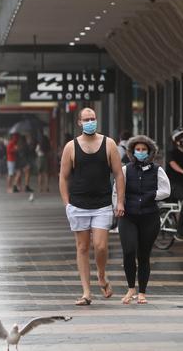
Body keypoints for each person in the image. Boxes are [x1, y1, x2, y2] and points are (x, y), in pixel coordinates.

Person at [59, 107, 125, 306]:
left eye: (93, 118)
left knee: (100, 246)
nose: (90, 122)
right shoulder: (71, 147)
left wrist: (120, 201)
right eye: (86, 119)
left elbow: (119, 174)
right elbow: (63, 177)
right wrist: (67, 204)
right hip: (78, 204)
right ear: (79, 122)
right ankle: (86, 292)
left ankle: (102, 276)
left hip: (102, 204)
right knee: (82, 247)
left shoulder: (109, 144)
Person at [114, 135, 170, 304]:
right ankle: (131, 288)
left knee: (143, 254)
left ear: (150, 152)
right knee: (129, 251)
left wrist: (151, 195)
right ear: (132, 152)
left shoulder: (157, 170)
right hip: (128, 216)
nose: (140, 152)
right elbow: (116, 190)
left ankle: (142, 292)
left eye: (143, 149)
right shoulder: (125, 169)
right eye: (137, 150)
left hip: (149, 217)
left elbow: (166, 190)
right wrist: (118, 205)